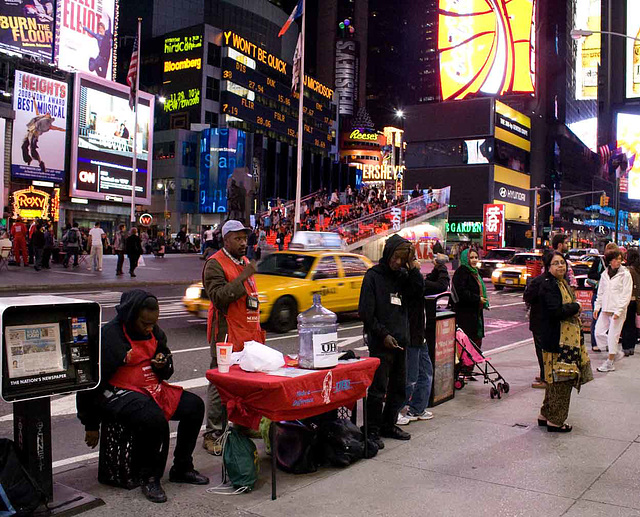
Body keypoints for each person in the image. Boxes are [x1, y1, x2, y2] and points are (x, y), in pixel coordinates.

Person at [76, 290, 209, 503]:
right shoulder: (110, 336)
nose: (149, 328)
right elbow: (89, 382)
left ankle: (182, 467)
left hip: (151, 388)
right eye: (144, 323)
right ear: (130, 316)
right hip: (118, 393)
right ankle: (149, 477)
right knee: (153, 420)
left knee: (194, 406)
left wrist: (163, 364)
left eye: (152, 324)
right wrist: (90, 423)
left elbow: (167, 367)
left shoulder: (155, 332)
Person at [202, 220, 266, 455]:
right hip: (226, 332)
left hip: (247, 332)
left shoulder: (245, 262)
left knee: (245, 383)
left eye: (244, 238)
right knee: (220, 382)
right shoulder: (215, 264)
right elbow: (219, 297)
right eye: (237, 239)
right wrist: (243, 277)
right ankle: (213, 433)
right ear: (225, 239)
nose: (243, 243)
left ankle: (243, 425)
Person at [359, 235, 424, 446]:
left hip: (400, 340)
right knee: (378, 389)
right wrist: (383, 335)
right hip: (381, 342)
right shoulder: (373, 277)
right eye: (395, 257)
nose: (397, 262)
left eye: (401, 259)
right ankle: (372, 430)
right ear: (388, 254)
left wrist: (413, 267)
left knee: (399, 388)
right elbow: (366, 313)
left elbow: (418, 292)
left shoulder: (403, 276)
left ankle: (388, 424)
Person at [537, 251, 593, 432]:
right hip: (557, 341)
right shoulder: (549, 286)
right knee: (562, 380)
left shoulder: (559, 283)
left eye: (562, 262)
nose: (561, 266)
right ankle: (556, 421)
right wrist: (576, 306)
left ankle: (545, 414)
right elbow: (555, 311)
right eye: (556, 263)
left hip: (559, 339)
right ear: (548, 267)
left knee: (553, 381)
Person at [398, 253, 449, 426]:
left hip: (420, 334)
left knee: (425, 372)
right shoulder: (409, 280)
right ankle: (396, 410)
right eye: (414, 259)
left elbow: (430, 282)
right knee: (410, 377)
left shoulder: (415, 279)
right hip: (412, 335)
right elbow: (440, 285)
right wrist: (442, 266)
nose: (419, 261)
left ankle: (417, 408)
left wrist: (437, 267)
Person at [595, 249, 633, 372]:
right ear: (610, 260)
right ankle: (614, 352)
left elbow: (626, 294)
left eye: (620, 259)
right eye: (616, 259)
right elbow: (600, 292)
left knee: (613, 337)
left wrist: (619, 311)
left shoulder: (625, 274)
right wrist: (597, 307)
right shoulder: (604, 274)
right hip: (605, 309)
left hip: (617, 310)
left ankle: (610, 361)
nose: (618, 261)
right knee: (598, 333)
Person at [452, 248, 489, 351]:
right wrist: (478, 299)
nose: (474, 260)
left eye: (476, 257)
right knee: (466, 346)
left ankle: (469, 366)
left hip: (475, 313)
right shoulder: (462, 272)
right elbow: (461, 293)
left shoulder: (475, 272)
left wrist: (483, 302)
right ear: (465, 258)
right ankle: (465, 366)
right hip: (464, 315)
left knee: (474, 344)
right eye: (471, 257)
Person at [587, 242, 618, 351]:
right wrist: (603, 275)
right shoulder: (599, 261)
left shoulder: (617, 265)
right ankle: (596, 344)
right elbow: (590, 274)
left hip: (611, 295)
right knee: (596, 318)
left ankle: (608, 344)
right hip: (599, 293)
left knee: (610, 321)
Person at [20, 101, 65, 175]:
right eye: (46, 113)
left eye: (48, 114)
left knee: (32, 150)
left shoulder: (48, 124)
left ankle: (40, 163)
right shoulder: (39, 118)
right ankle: (28, 159)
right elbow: (36, 109)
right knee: (23, 147)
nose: (47, 113)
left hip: (34, 135)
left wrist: (67, 130)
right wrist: (34, 99)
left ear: (49, 117)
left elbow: (58, 128)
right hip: (29, 132)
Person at [524, 269, 548, 389]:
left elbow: (527, 297)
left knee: (542, 349)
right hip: (542, 320)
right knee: (544, 349)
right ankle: (545, 374)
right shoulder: (549, 281)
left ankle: (545, 377)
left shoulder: (539, 281)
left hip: (540, 320)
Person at [621, 248, 640, 356]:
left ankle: (626, 347)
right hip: (636, 301)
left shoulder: (627, 270)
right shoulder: (637, 269)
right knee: (633, 324)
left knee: (626, 324)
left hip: (627, 299)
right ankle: (631, 346)